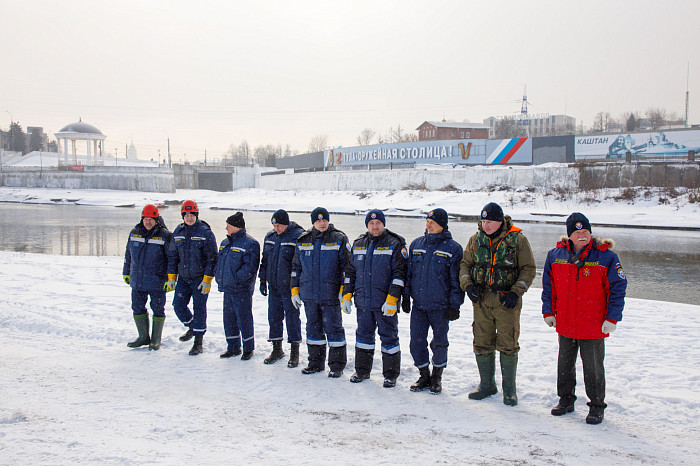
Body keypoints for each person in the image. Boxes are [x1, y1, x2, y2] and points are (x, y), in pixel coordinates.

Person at [541, 212, 627, 425]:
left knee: (593, 368)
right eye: (577, 232)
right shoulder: (555, 255)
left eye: (585, 232)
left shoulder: (607, 257)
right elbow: (548, 287)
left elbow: (618, 288)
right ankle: (566, 400)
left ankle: (597, 406)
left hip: (593, 324)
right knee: (565, 365)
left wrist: (612, 318)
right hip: (566, 323)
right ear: (569, 235)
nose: (582, 236)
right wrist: (548, 311)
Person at [459, 202, 536, 406]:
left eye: (491, 221)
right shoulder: (475, 241)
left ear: (500, 221)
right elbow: (465, 265)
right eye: (483, 221)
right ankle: (487, 385)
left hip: (506, 302)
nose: (487, 225)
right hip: (481, 301)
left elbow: (528, 269)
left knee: (508, 344)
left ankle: (509, 390)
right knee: (482, 341)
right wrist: (467, 285)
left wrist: (516, 292)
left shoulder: (517, 240)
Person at [343, 209, 407, 388]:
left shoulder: (395, 243)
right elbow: (350, 273)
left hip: (385, 303)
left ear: (383, 224)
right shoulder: (358, 244)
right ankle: (362, 371)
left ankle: (390, 375)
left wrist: (393, 299)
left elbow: (399, 275)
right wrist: (347, 295)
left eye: (378, 223)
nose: (375, 226)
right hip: (363, 302)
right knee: (363, 336)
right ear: (367, 225)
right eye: (371, 223)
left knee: (389, 338)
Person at [403, 208, 464, 394]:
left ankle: (437, 377)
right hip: (419, 306)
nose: (428, 225)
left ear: (442, 225)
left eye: (433, 223)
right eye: (427, 222)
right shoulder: (416, 244)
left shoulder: (453, 249)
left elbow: (456, 281)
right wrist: (406, 296)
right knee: (416, 342)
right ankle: (424, 375)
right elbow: (408, 274)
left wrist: (455, 305)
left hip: (440, 308)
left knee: (439, 343)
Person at [291, 207, 350, 378]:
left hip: (330, 294)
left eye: (324, 219)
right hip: (309, 294)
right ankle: (315, 363)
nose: (322, 223)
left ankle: (337, 365)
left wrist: (343, 291)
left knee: (334, 330)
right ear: (313, 222)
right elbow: (296, 268)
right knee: (313, 329)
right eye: (318, 220)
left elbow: (347, 268)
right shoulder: (303, 240)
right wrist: (294, 289)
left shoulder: (339, 238)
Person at [167, 200, 218, 355]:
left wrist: (207, 280)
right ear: (183, 216)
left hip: (199, 279)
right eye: (187, 215)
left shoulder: (205, 232)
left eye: (192, 215)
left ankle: (198, 342)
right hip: (183, 278)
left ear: (197, 215)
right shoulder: (179, 231)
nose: (189, 218)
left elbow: (212, 258)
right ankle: (191, 326)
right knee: (178, 305)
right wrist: (171, 277)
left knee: (199, 308)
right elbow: (172, 256)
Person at [259, 209, 305, 367]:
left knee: (292, 319)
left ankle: (294, 351)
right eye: (274, 225)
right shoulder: (270, 237)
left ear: (286, 224)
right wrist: (262, 280)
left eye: (279, 225)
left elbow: (300, 264)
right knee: (274, 317)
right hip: (273, 286)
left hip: (289, 288)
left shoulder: (298, 236)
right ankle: (277, 349)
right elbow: (264, 260)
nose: (276, 228)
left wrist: (297, 286)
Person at [122, 204, 172, 350]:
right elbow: (128, 255)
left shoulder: (165, 235)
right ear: (142, 219)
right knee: (137, 307)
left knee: (158, 308)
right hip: (137, 280)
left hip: (157, 281)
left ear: (156, 220)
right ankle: (143, 337)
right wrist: (126, 272)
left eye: (151, 219)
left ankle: (155, 339)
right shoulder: (134, 233)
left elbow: (171, 260)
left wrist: (171, 279)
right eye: (146, 219)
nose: (148, 222)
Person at [215, 212, 260, 360]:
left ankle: (248, 348)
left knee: (244, 319)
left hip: (241, 290)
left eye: (228, 225)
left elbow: (250, 268)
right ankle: (233, 347)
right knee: (228, 320)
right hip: (227, 288)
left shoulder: (250, 244)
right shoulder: (224, 243)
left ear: (236, 227)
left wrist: (236, 280)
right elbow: (220, 263)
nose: (226, 228)